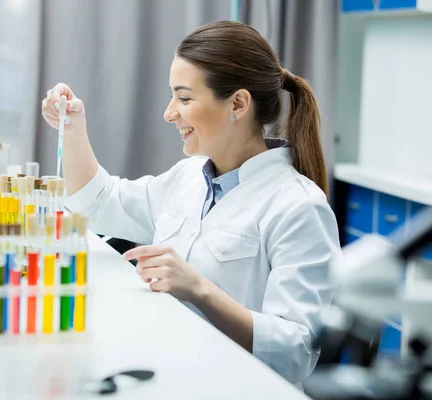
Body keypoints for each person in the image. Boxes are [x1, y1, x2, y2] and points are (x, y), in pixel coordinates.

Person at [41, 21, 341, 387]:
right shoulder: (187, 178)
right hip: (172, 369)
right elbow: (101, 203)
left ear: (238, 104)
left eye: (184, 98)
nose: (170, 113)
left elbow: (297, 351)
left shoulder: (298, 206)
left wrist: (198, 288)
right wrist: (73, 127)